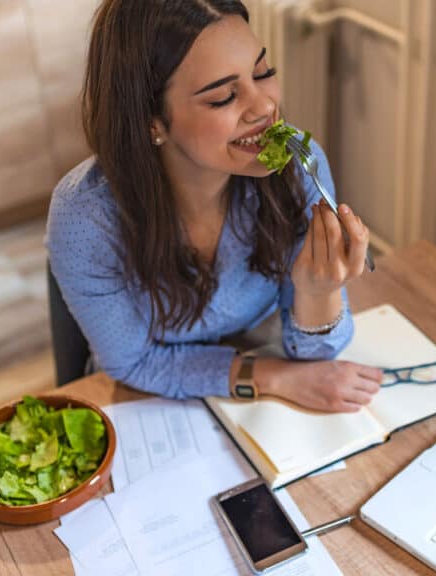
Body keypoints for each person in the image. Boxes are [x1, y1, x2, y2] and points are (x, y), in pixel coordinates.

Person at [45, 0, 383, 413]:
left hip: (262, 359)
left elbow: (317, 358)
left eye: (263, 73)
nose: (265, 108)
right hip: (149, 403)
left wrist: (319, 291)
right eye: (224, 96)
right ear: (152, 121)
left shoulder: (298, 166)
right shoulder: (85, 217)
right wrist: (271, 377)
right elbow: (132, 363)